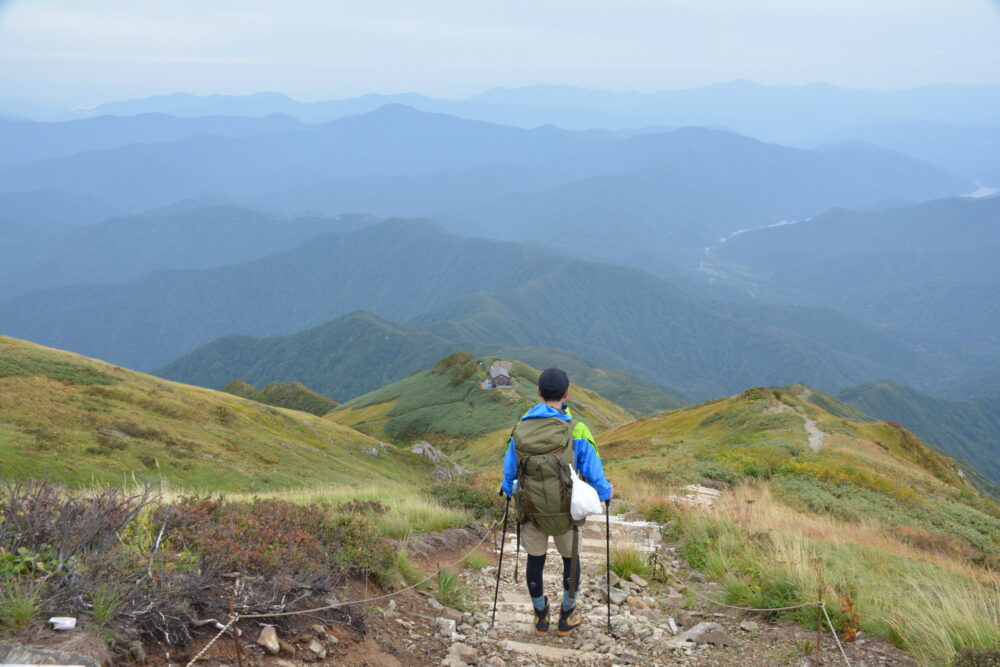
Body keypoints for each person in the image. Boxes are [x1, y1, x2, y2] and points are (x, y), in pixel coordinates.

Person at [501, 367, 612, 636]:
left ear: (538, 392)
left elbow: (509, 472)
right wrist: (605, 494)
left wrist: (507, 492)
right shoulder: (577, 429)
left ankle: (541, 617)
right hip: (567, 510)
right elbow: (594, 472)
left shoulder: (521, 429)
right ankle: (567, 616)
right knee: (570, 560)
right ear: (566, 393)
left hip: (531, 510)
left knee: (535, 561)